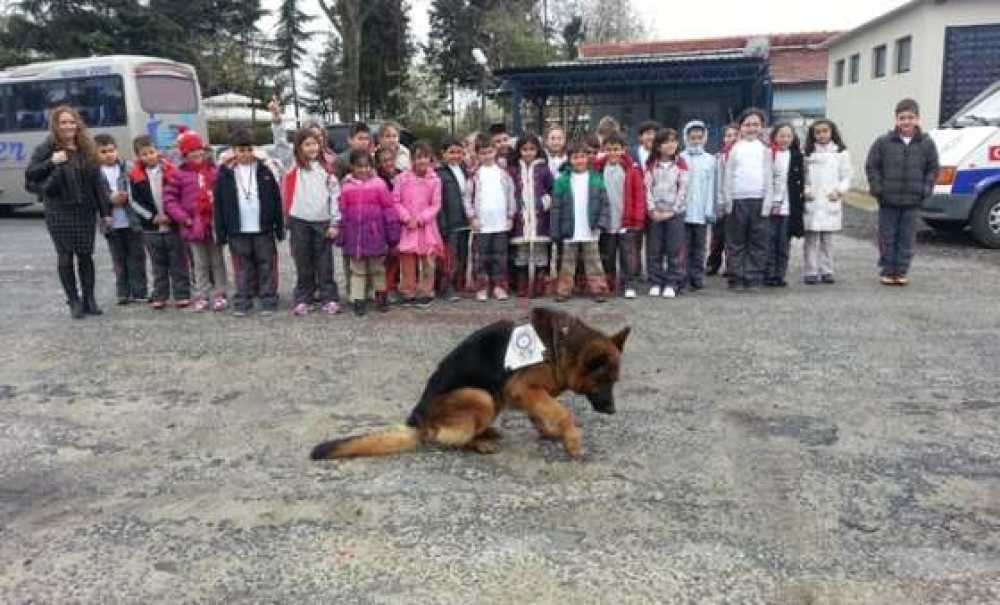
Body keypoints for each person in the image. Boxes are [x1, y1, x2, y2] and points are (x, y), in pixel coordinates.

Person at [25, 105, 112, 318]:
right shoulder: (46, 147)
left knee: (86, 255)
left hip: (85, 210)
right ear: (55, 125)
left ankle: (89, 299)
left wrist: (105, 212)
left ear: (77, 124)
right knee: (65, 256)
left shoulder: (87, 147)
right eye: (63, 122)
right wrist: (51, 162)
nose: (68, 126)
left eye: (71, 122)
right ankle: (73, 301)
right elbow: (30, 175)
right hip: (58, 210)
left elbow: (98, 183)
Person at [865, 98, 940, 286]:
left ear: (918, 119)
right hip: (888, 200)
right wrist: (877, 189)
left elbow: (933, 169)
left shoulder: (927, 144)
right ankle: (888, 271)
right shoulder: (883, 142)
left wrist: (925, 189)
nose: (906, 121)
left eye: (910, 117)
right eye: (902, 118)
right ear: (896, 119)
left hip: (913, 201)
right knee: (887, 237)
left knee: (906, 238)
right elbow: (872, 166)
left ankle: (901, 271)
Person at [214, 128, 284, 316]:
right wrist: (220, 232)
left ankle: (268, 299)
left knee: (267, 264)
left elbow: (276, 198)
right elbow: (218, 204)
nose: (245, 154)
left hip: (263, 228)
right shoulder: (225, 174)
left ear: (254, 149)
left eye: (248, 149)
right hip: (237, 229)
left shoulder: (265, 170)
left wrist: (279, 227)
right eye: (240, 150)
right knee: (242, 267)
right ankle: (243, 300)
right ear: (233, 151)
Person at [164, 126, 228, 312]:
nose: (196, 154)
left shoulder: (215, 171)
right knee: (200, 263)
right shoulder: (178, 174)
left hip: (213, 223)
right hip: (192, 224)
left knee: (217, 261)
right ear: (185, 155)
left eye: (199, 150)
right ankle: (202, 294)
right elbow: (170, 200)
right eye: (191, 151)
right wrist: (183, 218)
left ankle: (220, 293)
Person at [282, 128, 342, 316]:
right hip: (299, 221)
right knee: (303, 262)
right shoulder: (293, 166)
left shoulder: (328, 168)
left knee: (325, 263)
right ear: (299, 147)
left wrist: (335, 222)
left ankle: (329, 298)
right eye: (307, 144)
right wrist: (277, 122)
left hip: (322, 222)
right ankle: (303, 299)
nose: (312, 148)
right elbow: (280, 146)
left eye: (314, 143)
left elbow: (335, 196)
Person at [129, 135, 191, 310]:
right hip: (151, 229)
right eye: (144, 154)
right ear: (138, 157)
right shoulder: (135, 176)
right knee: (158, 264)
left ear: (157, 151)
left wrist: (173, 215)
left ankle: (182, 294)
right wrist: (151, 217)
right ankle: (160, 294)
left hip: (173, 225)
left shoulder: (171, 171)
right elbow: (134, 202)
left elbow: (180, 195)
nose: (149, 156)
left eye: (151, 152)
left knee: (179, 262)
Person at [338, 149, 401, 316]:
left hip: (375, 236)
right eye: (359, 167)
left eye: (366, 166)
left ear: (372, 167)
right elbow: (342, 212)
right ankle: (358, 299)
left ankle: (381, 296)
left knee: (377, 269)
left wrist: (393, 233)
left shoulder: (379, 185)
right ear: (352, 167)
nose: (363, 170)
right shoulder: (346, 187)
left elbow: (388, 209)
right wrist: (342, 234)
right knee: (357, 270)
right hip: (355, 238)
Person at [550, 140, 610, 303]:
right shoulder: (562, 181)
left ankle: (599, 290)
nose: (579, 160)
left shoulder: (596, 178)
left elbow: (604, 204)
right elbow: (555, 208)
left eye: (582, 156)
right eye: (575, 157)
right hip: (569, 229)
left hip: (590, 228)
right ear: (569, 159)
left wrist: (601, 224)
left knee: (594, 262)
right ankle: (564, 291)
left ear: (588, 158)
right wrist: (555, 231)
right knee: (567, 263)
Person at [721, 108, 773, 291]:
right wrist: (727, 201)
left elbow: (769, 177)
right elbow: (727, 176)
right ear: (741, 127)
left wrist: (768, 202)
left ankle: (753, 278)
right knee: (735, 242)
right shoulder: (734, 149)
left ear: (762, 127)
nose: (751, 128)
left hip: (759, 200)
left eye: (755, 124)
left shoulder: (766, 150)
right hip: (737, 200)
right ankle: (736, 278)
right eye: (747, 124)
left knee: (757, 242)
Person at [95, 133, 147, 305]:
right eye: (103, 152)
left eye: (111, 150)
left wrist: (127, 196)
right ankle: (123, 293)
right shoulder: (95, 173)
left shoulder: (128, 168)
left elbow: (139, 189)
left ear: (116, 150)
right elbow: (95, 196)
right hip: (111, 224)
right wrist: (110, 199)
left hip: (132, 221)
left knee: (137, 258)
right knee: (118, 260)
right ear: (96, 153)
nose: (108, 154)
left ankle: (140, 292)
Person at [464, 134, 516, 302]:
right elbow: (467, 198)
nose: (487, 156)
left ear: (495, 151)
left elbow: (511, 195)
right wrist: (472, 217)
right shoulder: (474, 176)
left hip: (500, 224)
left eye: (489, 152)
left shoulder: (503, 174)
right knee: (481, 258)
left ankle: (500, 287)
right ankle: (482, 287)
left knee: (500, 257)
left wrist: (510, 216)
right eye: (483, 153)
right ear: (477, 154)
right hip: (482, 225)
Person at [594, 131, 645, 299]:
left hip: (626, 222)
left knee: (627, 255)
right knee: (607, 255)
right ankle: (609, 283)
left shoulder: (631, 170)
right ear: (604, 150)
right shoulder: (598, 169)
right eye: (609, 149)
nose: (612, 153)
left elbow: (639, 195)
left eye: (616, 149)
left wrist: (637, 218)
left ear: (623, 149)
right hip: (607, 223)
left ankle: (628, 284)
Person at [801, 119, 852, 285]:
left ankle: (827, 270)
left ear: (832, 132)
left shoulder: (841, 153)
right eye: (818, 132)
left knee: (827, 240)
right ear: (812, 134)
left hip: (831, 199)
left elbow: (846, 176)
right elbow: (802, 177)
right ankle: (811, 270)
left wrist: (839, 191)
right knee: (811, 239)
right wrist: (805, 190)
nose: (821, 135)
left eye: (825, 131)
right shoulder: (807, 153)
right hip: (813, 201)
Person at [393, 142, 443, 308]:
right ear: (411, 159)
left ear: (430, 158)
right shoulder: (401, 179)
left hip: (426, 226)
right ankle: (408, 291)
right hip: (408, 226)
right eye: (418, 157)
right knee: (407, 260)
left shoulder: (435, 180)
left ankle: (426, 291)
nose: (422, 161)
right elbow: (395, 201)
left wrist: (421, 219)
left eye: (425, 157)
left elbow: (436, 204)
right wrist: (407, 218)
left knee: (428, 260)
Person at [507, 133, 554, 298]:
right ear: (519, 151)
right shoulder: (513, 170)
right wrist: (513, 207)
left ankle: (540, 283)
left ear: (537, 150)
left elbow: (552, 189)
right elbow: (508, 190)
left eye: (532, 149)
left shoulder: (544, 169)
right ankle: (522, 284)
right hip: (520, 218)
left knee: (541, 252)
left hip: (540, 218)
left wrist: (544, 202)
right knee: (521, 252)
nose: (528, 153)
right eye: (525, 149)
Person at [645, 128, 689, 298]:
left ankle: (672, 282)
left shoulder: (681, 165)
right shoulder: (651, 165)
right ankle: (656, 281)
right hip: (655, 214)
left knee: (674, 249)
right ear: (658, 146)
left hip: (674, 214)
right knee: (654, 249)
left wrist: (673, 211)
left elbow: (683, 190)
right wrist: (652, 210)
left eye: (673, 141)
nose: (671, 145)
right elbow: (647, 189)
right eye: (666, 142)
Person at [764, 123, 805, 287]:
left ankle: (780, 274)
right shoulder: (768, 154)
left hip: (789, 207)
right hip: (770, 207)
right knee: (769, 241)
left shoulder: (796, 156)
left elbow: (801, 181)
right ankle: (768, 274)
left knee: (783, 243)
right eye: (782, 135)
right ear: (774, 137)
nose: (785, 139)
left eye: (788, 136)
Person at [679, 121, 718, 291]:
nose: (696, 141)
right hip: (683, 211)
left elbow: (711, 187)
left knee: (700, 247)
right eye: (692, 137)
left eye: (699, 137)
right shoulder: (680, 158)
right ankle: (683, 277)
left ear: (704, 138)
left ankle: (697, 277)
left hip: (701, 212)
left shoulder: (710, 160)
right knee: (683, 246)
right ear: (686, 138)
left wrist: (709, 210)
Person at [435, 138, 471, 301]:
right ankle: (445, 287)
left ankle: (458, 285)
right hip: (450, 222)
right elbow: (439, 201)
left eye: (459, 152)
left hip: (465, 221)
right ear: (443, 154)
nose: (455, 156)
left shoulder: (465, 170)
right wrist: (442, 224)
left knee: (462, 255)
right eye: (451, 152)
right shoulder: (439, 174)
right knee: (449, 257)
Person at [707, 124, 739, 277]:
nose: (732, 138)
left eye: (735, 135)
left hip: (737, 202)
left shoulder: (743, 156)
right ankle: (713, 264)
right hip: (720, 203)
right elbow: (716, 182)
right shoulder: (717, 158)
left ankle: (731, 266)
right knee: (717, 237)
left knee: (733, 238)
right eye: (728, 135)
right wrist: (717, 203)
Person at [376, 147, 403, 304]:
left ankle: (393, 286)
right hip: (384, 223)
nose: (388, 163)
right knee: (385, 258)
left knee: (397, 256)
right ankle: (383, 289)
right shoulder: (378, 180)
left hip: (401, 221)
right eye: (384, 161)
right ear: (379, 163)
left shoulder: (402, 175)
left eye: (391, 159)